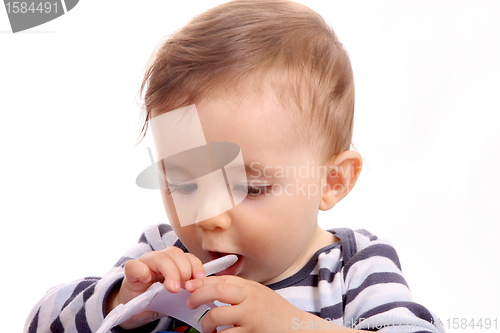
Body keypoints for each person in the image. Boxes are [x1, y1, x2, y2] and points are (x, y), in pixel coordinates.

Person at [24, 1, 445, 332]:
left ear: (331, 180)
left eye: (251, 188)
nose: (208, 218)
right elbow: (39, 323)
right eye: (184, 185)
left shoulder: (354, 269)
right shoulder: (163, 258)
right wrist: (123, 303)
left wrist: (293, 325)